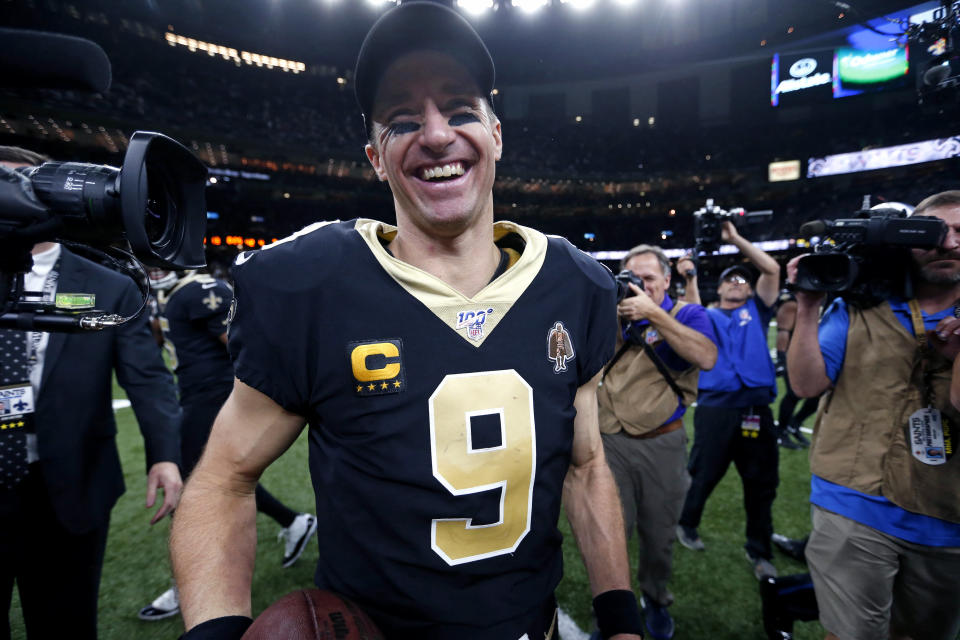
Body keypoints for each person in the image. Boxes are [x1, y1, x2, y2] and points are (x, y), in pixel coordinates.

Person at [170, 3, 644, 640]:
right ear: (374, 155)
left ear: (497, 135)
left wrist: (619, 618)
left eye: (460, 109)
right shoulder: (313, 285)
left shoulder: (575, 283)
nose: (437, 134)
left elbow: (586, 468)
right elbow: (224, 480)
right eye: (402, 119)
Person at [0, 146, 183, 639]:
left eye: (25, 186)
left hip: (70, 487)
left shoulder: (109, 286)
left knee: (65, 626)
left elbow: (147, 376)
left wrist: (164, 454)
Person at [786, 190, 960, 640]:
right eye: (932, 232)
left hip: (946, 515)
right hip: (851, 498)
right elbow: (806, 385)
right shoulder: (857, 305)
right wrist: (807, 307)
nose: (947, 243)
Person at [137, 267, 317, 622]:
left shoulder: (199, 290)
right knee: (215, 478)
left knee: (192, 484)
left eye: (159, 263)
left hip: (212, 396)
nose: (154, 269)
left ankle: (190, 582)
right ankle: (294, 522)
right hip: (193, 393)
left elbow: (240, 343)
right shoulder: (175, 293)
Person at [598, 245, 717, 639]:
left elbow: (706, 356)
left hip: (661, 443)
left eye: (649, 278)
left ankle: (656, 598)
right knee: (611, 534)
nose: (640, 285)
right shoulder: (609, 313)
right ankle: (616, 615)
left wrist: (655, 315)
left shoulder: (688, 313)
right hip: (609, 440)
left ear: (667, 280)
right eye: (633, 278)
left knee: (658, 535)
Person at [676, 221, 781, 580]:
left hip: (756, 408)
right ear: (718, 288)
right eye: (730, 280)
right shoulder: (708, 314)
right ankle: (686, 524)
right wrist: (690, 277)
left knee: (761, 482)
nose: (737, 283)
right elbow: (690, 311)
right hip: (716, 408)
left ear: (751, 290)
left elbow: (771, 269)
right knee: (703, 473)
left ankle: (760, 549)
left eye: (742, 280)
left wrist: (734, 239)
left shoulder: (759, 311)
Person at [773, 290, 814, 449]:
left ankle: (795, 424)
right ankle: (781, 432)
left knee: (820, 391)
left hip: (809, 353)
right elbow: (783, 331)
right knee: (793, 394)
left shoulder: (815, 297)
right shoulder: (792, 301)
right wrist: (782, 358)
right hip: (792, 355)